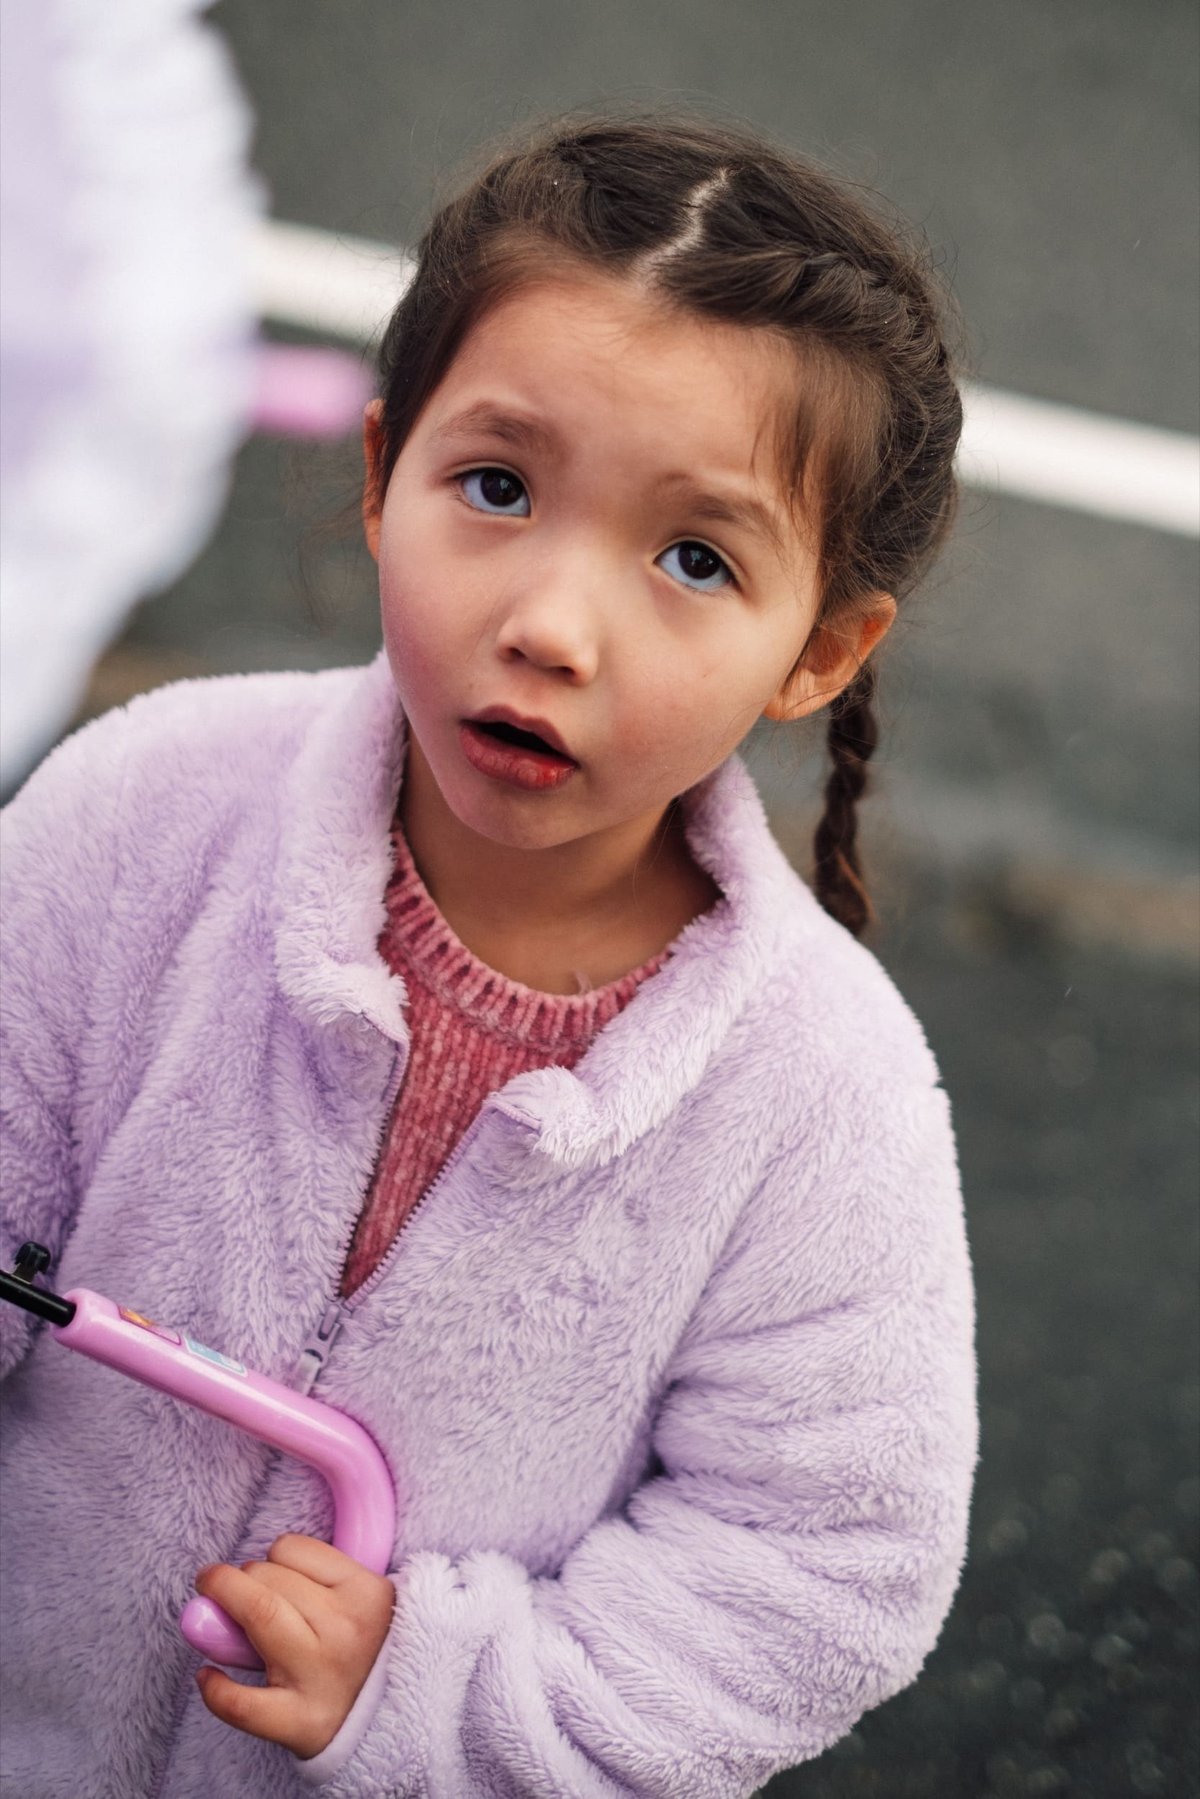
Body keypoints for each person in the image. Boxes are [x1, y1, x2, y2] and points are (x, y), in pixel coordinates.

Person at [0, 114, 977, 1799]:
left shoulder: (826, 1097)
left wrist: (435, 1697)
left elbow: (823, 1563)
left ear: (819, 650)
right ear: (384, 471)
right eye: (499, 488)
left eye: (694, 559)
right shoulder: (147, 806)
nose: (550, 625)